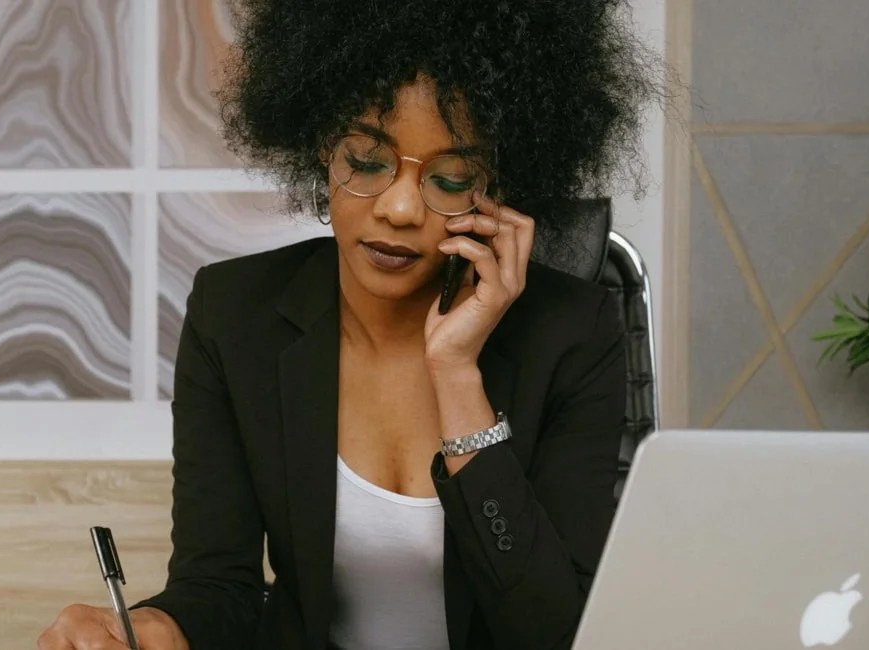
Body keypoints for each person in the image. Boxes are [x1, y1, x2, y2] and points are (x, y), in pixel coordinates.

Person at [39, 0, 659, 647]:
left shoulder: (572, 332)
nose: (396, 207)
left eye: (449, 179)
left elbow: (555, 632)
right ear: (320, 144)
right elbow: (216, 587)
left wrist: (456, 376)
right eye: (366, 161)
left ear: (498, 187)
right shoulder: (236, 315)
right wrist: (143, 628)